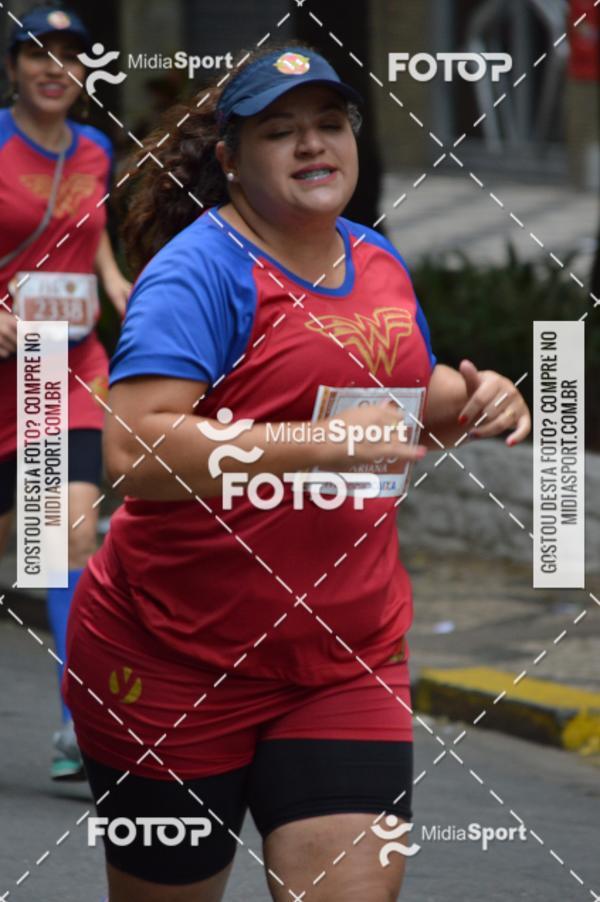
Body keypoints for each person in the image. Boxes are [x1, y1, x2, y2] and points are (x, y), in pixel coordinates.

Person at [64, 44, 530, 901]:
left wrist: (474, 399)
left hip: (344, 657)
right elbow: (135, 452)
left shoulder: (376, 260)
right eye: (280, 132)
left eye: (328, 124)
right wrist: (326, 445)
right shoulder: (199, 273)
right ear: (233, 163)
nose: (313, 144)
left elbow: (396, 400)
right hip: (171, 660)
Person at [0, 4, 131, 780]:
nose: (56, 68)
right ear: (14, 67)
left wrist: (121, 286)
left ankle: (83, 728)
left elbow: (93, 236)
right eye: (38, 54)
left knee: (68, 535)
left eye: (71, 56)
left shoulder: (96, 148)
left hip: (65, 371)